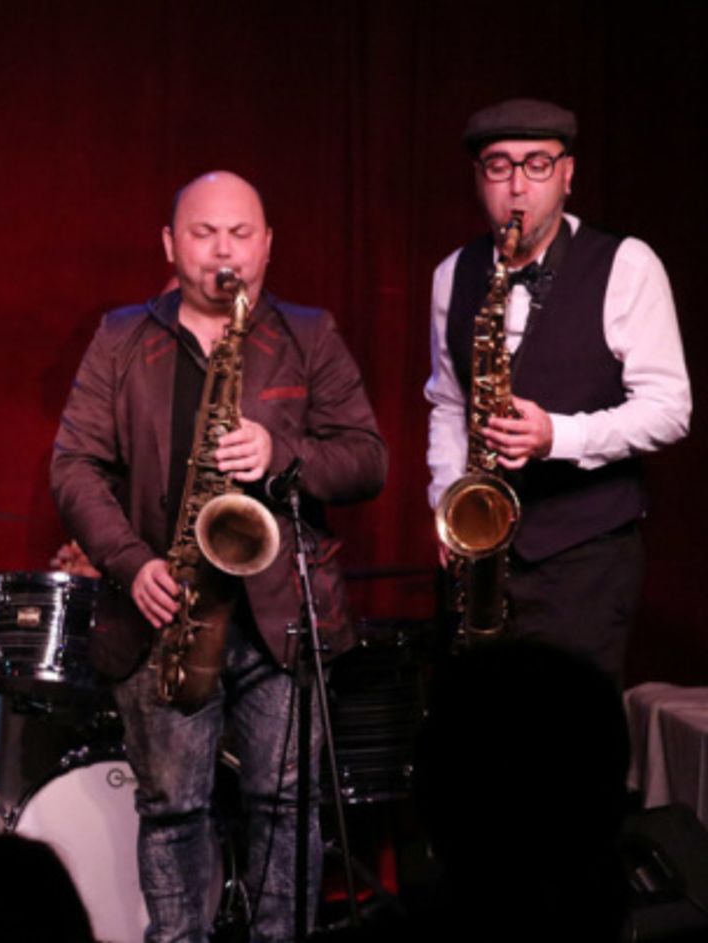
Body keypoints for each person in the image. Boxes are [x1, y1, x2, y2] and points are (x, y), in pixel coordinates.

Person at [51, 171, 387, 942]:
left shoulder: (311, 333)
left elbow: (368, 459)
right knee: (172, 809)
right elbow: (73, 466)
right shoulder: (119, 336)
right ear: (170, 245)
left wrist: (281, 453)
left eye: (240, 234)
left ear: (268, 244)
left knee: (287, 806)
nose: (223, 251)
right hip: (164, 604)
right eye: (204, 234)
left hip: (279, 614)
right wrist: (134, 564)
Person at [425, 98, 691, 682]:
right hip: (484, 556)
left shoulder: (627, 264)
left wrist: (559, 435)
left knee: (569, 750)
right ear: (479, 178)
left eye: (537, 164)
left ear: (567, 174)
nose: (518, 187)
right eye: (500, 165)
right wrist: (447, 497)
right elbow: (448, 401)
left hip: (586, 559)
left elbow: (671, 410)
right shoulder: (453, 274)